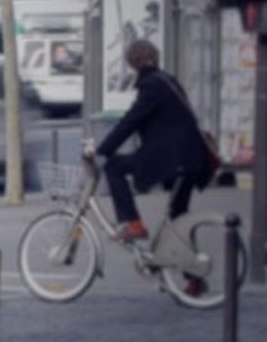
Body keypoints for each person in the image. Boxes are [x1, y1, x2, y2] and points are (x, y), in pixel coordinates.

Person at [86, 39, 213, 256]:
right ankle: (192, 277)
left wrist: (101, 150)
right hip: (192, 158)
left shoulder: (152, 85)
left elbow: (131, 121)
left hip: (175, 157)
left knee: (114, 167)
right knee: (177, 218)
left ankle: (132, 223)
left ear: (132, 63)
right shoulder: (167, 80)